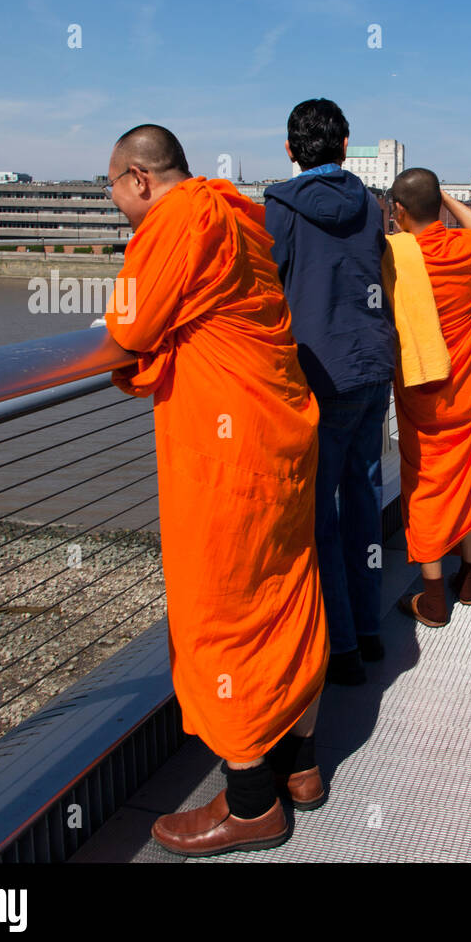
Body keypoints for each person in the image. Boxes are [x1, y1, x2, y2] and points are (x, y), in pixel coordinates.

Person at [102, 125, 328, 855]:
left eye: (112, 187)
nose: (114, 203)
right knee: (286, 588)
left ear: (139, 179)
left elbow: (131, 326)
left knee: (222, 604)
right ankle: (301, 766)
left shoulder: (179, 218)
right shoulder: (233, 211)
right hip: (283, 427)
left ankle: (251, 803)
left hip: (230, 456)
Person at [263, 99, 395, 687]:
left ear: (290, 150)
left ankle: (339, 647)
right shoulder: (371, 205)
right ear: (346, 147)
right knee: (365, 499)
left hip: (318, 374)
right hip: (372, 366)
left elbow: (264, 287)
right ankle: (368, 629)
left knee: (317, 517)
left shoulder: (280, 209)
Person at [388, 168, 471, 627]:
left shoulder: (395, 256)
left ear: (398, 211)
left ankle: (433, 599)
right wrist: (444, 197)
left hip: (427, 398)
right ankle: (470, 580)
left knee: (426, 485)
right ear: (441, 205)